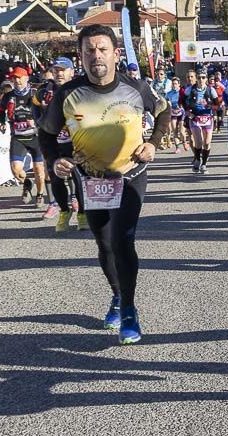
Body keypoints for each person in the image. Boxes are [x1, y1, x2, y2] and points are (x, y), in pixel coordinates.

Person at [39, 24, 170, 344]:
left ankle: (128, 309)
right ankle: (116, 294)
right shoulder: (67, 93)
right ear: (81, 56)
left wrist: (153, 142)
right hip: (91, 181)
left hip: (130, 176)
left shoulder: (135, 87)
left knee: (123, 239)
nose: (95, 56)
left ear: (115, 53)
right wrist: (55, 159)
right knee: (105, 244)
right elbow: (46, 133)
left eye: (102, 49)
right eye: (89, 50)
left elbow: (164, 112)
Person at [41, 57, 84, 230]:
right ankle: (64, 211)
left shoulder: (80, 90)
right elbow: (36, 114)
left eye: (63, 70)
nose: (59, 73)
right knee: (55, 178)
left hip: (75, 141)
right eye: (56, 70)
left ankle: (82, 213)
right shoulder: (44, 92)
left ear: (71, 72)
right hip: (54, 141)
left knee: (78, 177)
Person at [0, 67, 46, 205]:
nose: (17, 80)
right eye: (14, 78)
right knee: (16, 169)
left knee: (38, 169)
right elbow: (1, 110)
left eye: (19, 77)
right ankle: (27, 183)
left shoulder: (35, 93)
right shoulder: (9, 96)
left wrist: (37, 122)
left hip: (36, 136)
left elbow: (46, 112)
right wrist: (2, 122)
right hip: (18, 137)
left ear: (26, 78)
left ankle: (40, 194)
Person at [182, 69, 219, 173]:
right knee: (198, 142)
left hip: (207, 117)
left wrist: (210, 106)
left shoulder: (210, 90)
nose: (201, 80)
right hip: (195, 117)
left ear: (206, 79)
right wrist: (187, 111)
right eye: (199, 78)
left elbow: (217, 105)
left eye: (203, 77)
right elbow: (182, 100)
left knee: (207, 143)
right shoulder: (190, 89)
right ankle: (197, 159)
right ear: (196, 79)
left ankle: (204, 164)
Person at [165, 77, 185, 153]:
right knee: (175, 131)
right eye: (173, 84)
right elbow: (167, 102)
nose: (174, 85)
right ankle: (177, 147)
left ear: (179, 84)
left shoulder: (182, 92)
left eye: (176, 84)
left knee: (182, 132)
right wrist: (168, 104)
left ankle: (184, 142)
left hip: (181, 113)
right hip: (173, 113)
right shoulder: (169, 93)